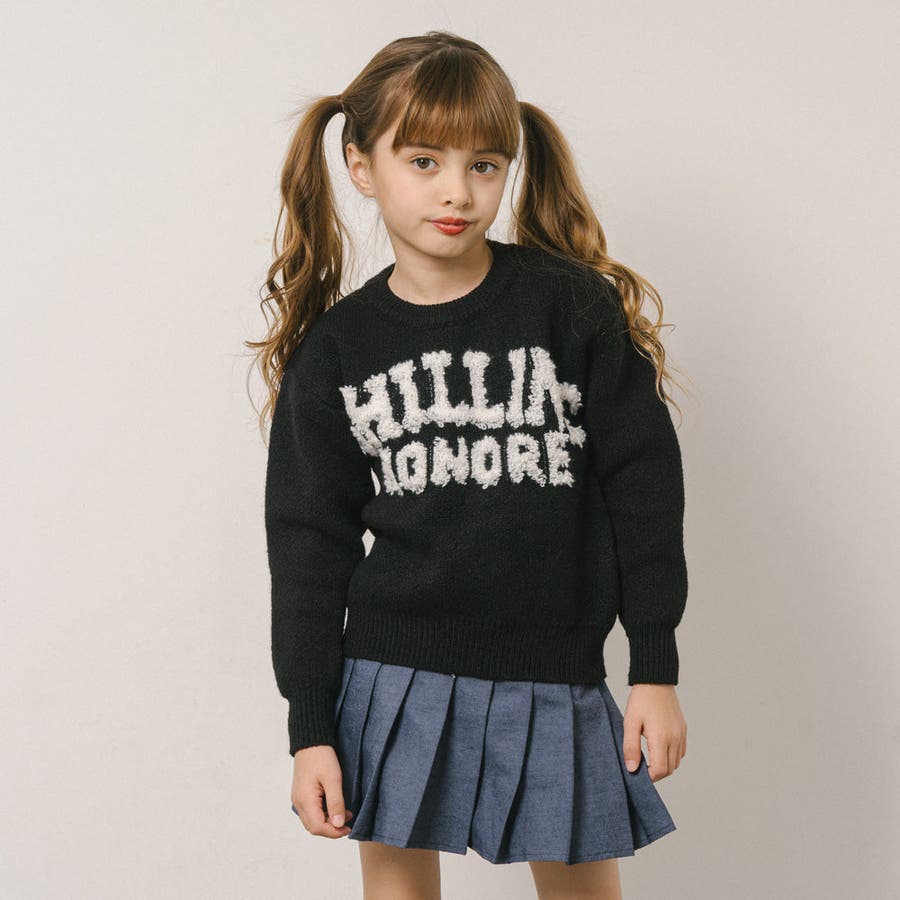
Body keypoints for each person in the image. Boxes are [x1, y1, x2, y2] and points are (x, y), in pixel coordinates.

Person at [248, 29, 690, 900]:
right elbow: (306, 550)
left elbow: (645, 489)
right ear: (361, 165)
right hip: (389, 677)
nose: (457, 191)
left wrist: (654, 666)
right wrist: (310, 728)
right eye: (423, 161)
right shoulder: (337, 351)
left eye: (484, 165)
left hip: (554, 670)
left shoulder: (570, 309)